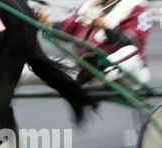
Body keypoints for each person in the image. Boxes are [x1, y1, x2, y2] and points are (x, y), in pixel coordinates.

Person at [19, 0, 153, 89]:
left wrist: (106, 30)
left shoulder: (138, 8)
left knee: (129, 51)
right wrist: (48, 24)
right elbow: (65, 32)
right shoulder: (88, 7)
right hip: (84, 71)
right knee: (33, 68)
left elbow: (130, 42)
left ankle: (100, 68)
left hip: (128, 75)